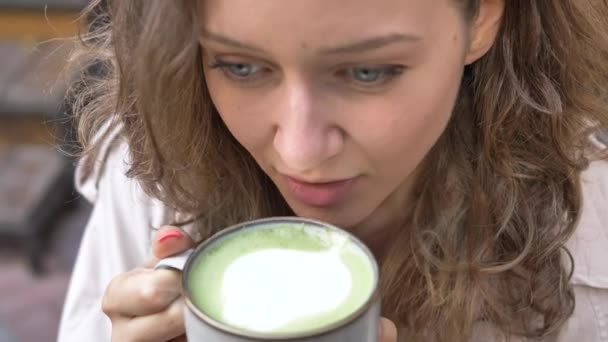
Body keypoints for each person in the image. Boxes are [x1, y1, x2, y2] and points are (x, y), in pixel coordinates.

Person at [57, 0, 608, 341]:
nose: (300, 153)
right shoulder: (156, 161)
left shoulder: (592, 236)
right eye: (241, 66)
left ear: (483, 17)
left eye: (367, 71)